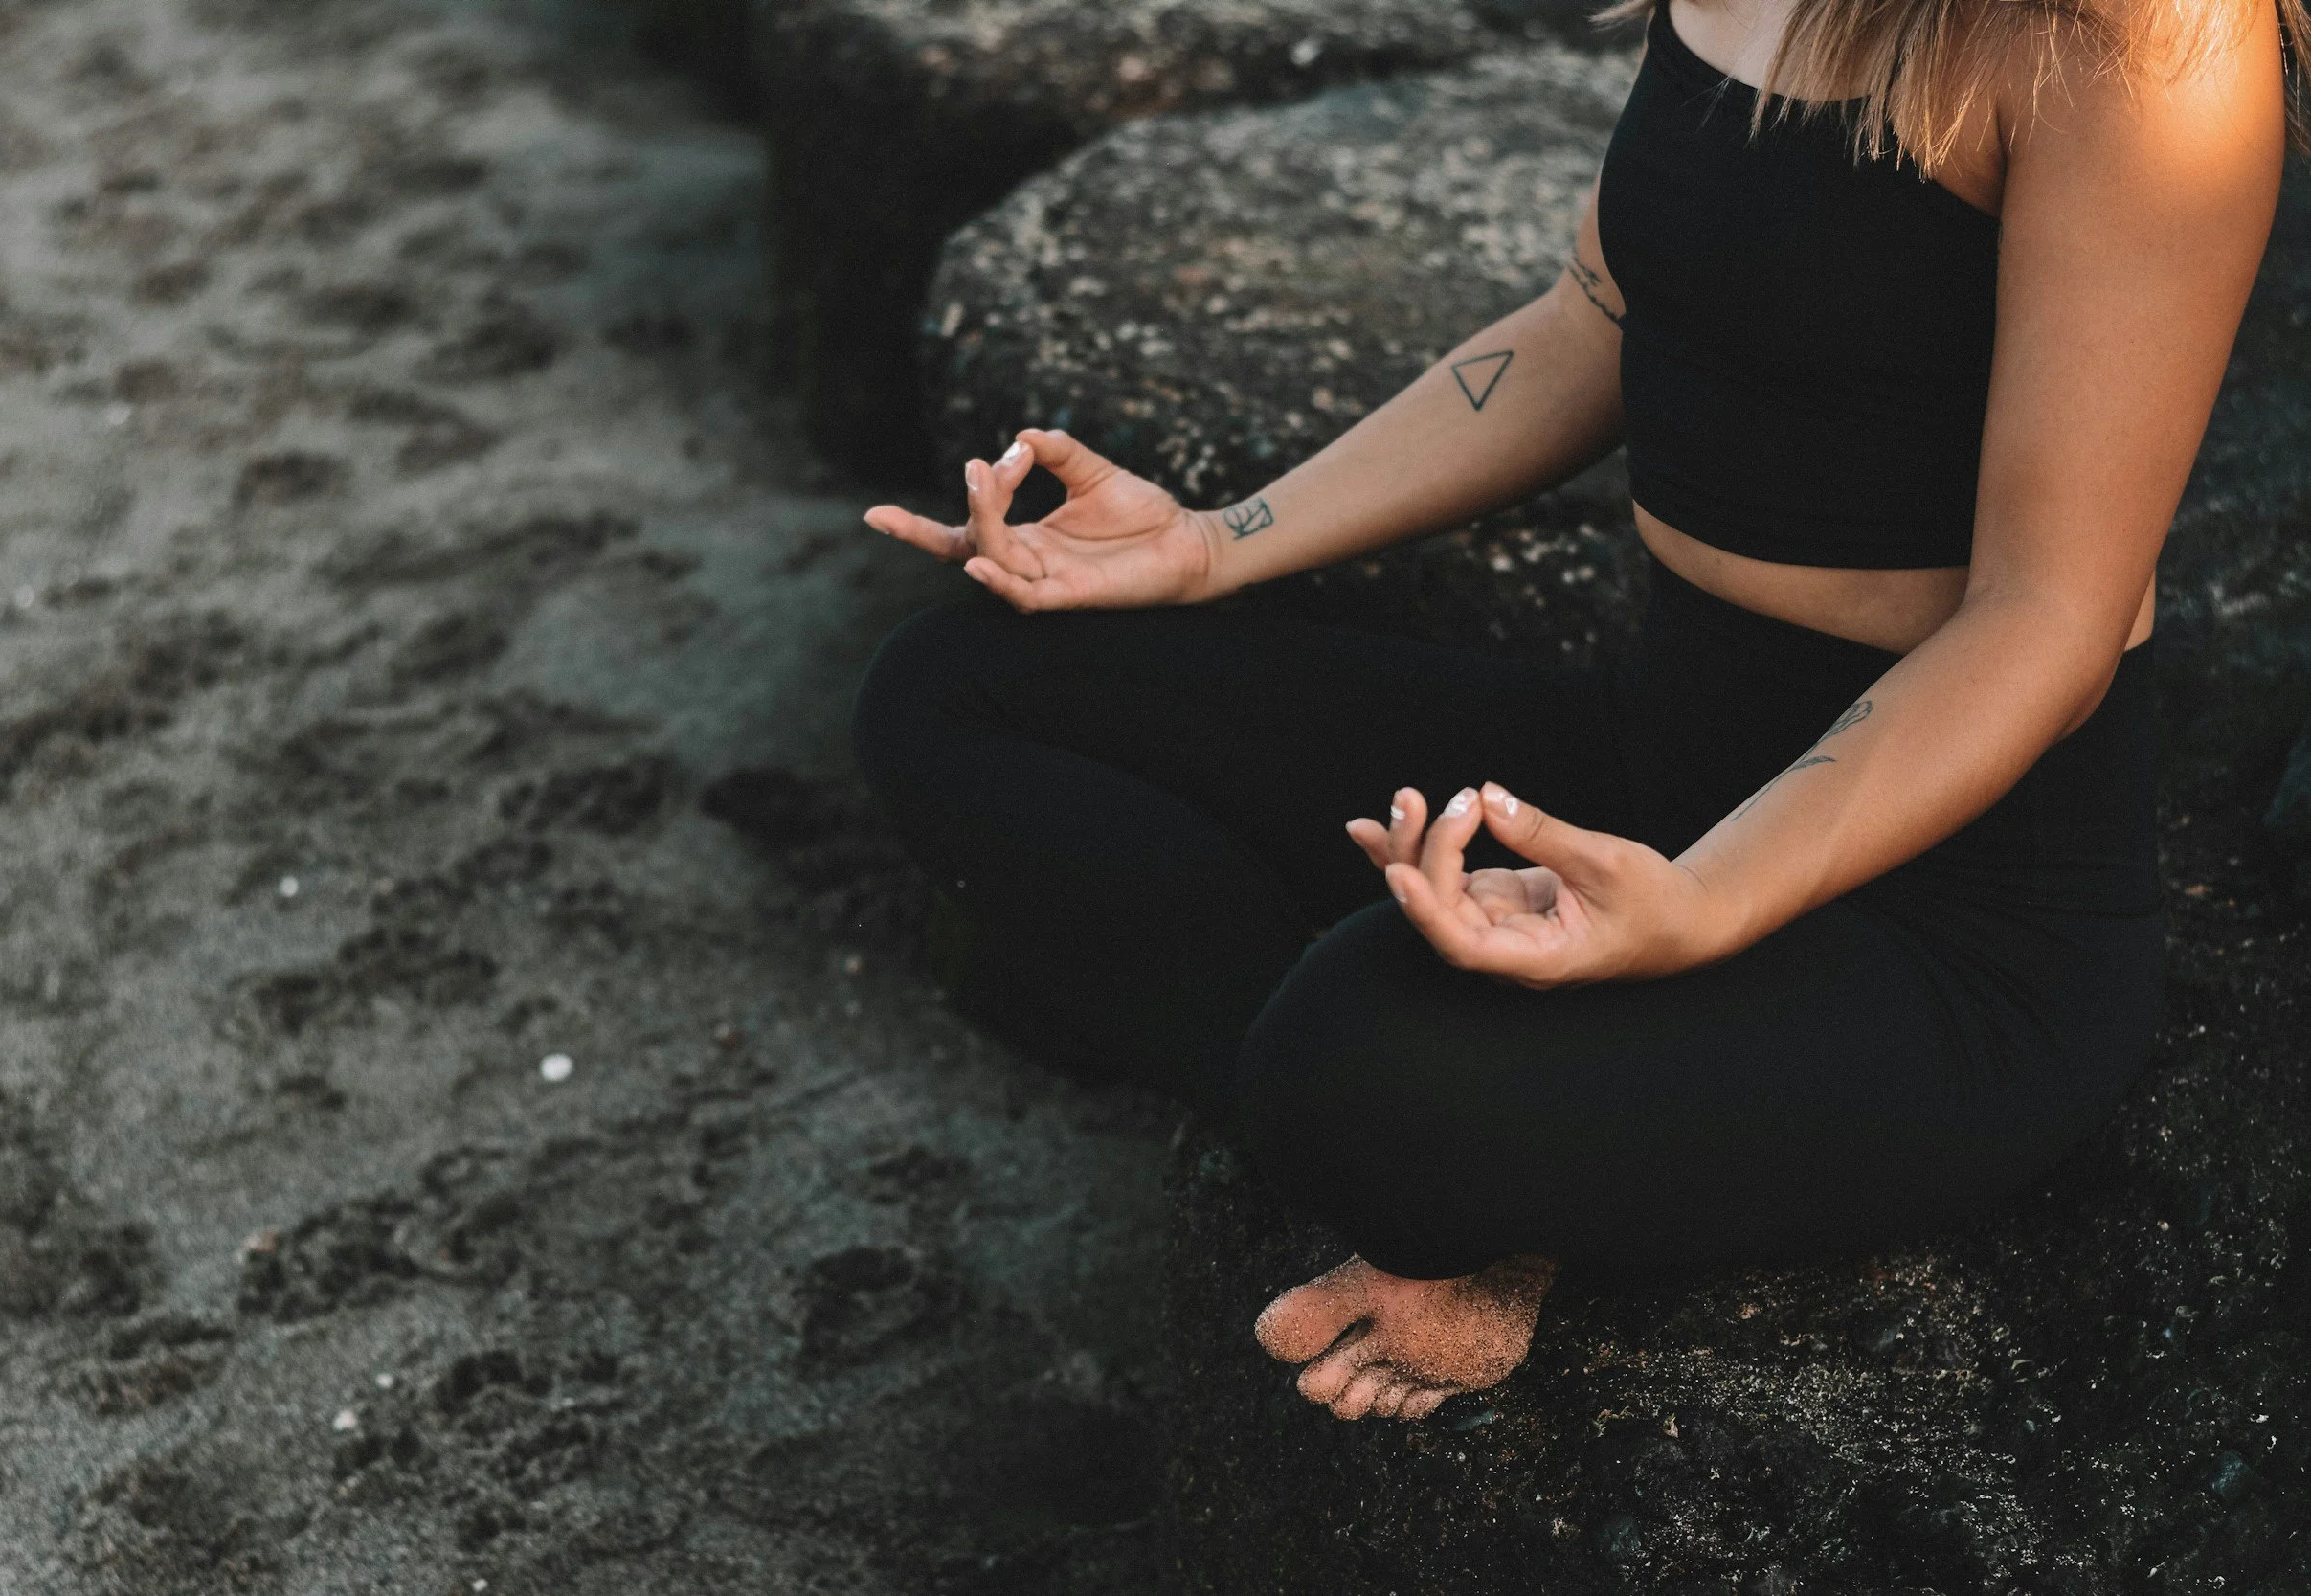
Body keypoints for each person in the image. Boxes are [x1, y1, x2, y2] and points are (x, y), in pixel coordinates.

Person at [851, 0, 2294, 1422]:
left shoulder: (2150, 47)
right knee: (966, 693)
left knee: (1351, 1061)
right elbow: (1593, 318)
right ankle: (1497, 1153)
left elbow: (2048, 619)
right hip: (1657, 751)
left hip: (1950, 914)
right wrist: (1218, 542)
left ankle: (1472, 1160)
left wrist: (1705, 901)